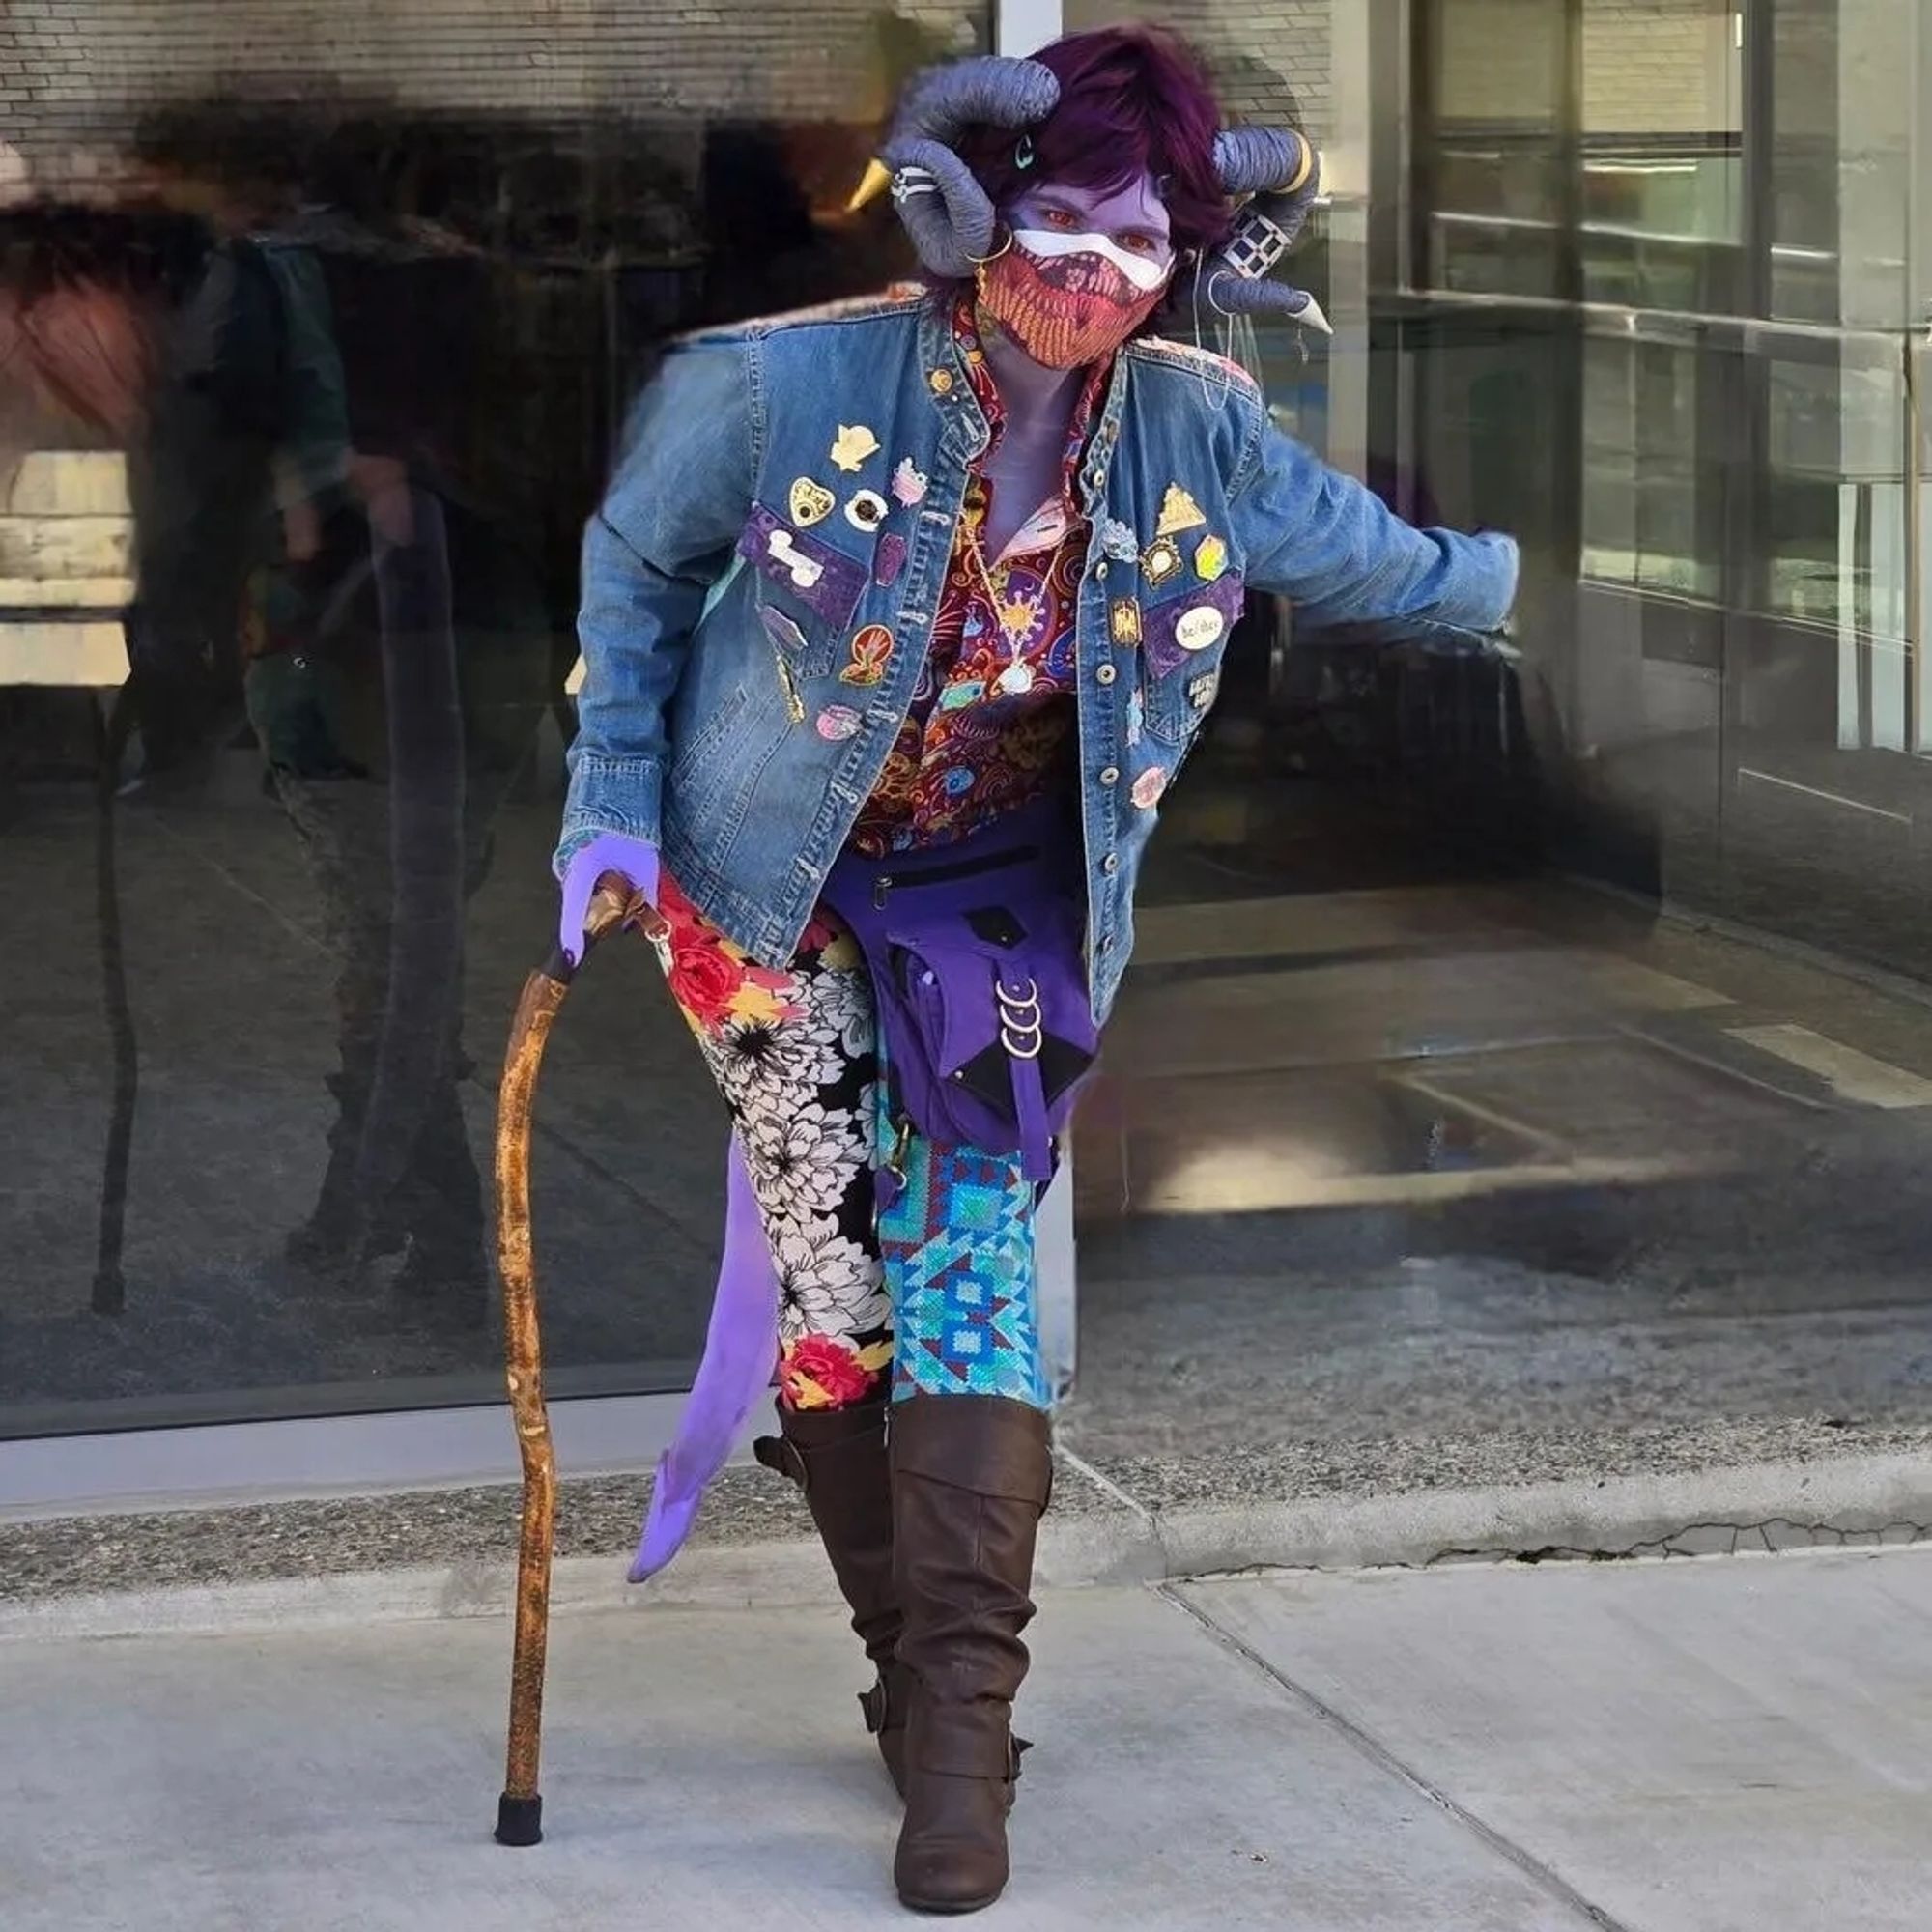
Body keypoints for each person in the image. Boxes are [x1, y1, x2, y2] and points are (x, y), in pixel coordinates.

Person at [555, 27, 1517, 1916]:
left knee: (974, 1261)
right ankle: (910, 1685)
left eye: (1139, 236)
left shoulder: (1194, 424)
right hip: (768, 880)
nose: (1091, 269)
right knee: (838, 1284)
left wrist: (1521, 581)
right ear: (964, 208)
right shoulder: (778, 387)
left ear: (1190, 257)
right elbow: (634, 565)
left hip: (998, 894)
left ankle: (960, 1742)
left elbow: (1369, 560)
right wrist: (604, 803)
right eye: (1056, 217)